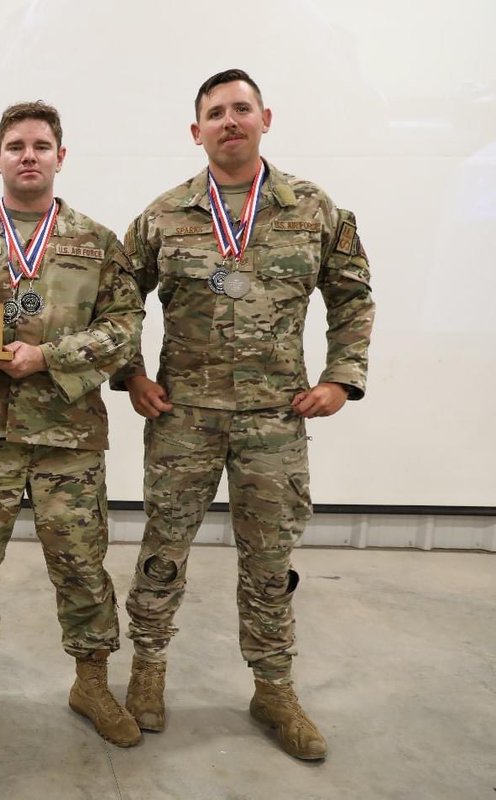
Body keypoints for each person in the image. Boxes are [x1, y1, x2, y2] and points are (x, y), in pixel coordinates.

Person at [115, 68, 376, 761]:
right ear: (195, 130)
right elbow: (116, 299)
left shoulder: (314, 210)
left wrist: (342, 379)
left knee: (269, 560)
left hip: (274, 419)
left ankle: (273, 686)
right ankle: (147, 670)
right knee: (163, 552)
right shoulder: (165, 214)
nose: (228, 121)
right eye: (214, 113)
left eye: (240, 109)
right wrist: (130, 373)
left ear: (265, 117)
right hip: (184, 418)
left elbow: (353, 297)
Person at [0, 101, 145, 747]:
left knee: (81, 565)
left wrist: (50, 356)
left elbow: (124, 328)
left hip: (66, 435)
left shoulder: (97, 244)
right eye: (16, 145)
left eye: (41, 145)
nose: (28, 155)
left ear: (59, 157)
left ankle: (92, 679)